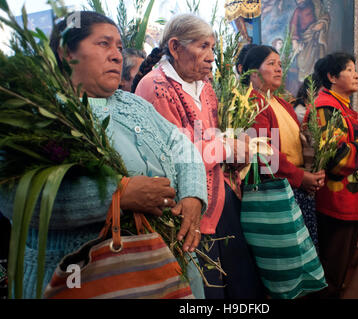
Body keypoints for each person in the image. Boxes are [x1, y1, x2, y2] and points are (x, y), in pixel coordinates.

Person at [0, 11, 208, 299]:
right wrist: (118, 194)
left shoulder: (134, 104)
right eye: (103, 44)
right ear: (65, 52)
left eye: (119, 47)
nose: (116, 56)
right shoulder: (36, 111)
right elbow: (12, 195)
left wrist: (193, 195)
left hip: (166, 270)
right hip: (81, 279)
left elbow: (181, 144)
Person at [132, 14, 265, 299]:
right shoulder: (155, 87)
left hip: (222, 198)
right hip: (189, 206)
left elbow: (209, 139)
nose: (211, 57)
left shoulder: (206, 88)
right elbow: (173, 155)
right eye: (203, 46)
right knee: (208, 286)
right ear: (176, 46)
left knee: (240, 285)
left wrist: (237, 151)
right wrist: (228, 147)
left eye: (213, 48)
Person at [310, 52, 358, 298]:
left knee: (338, 272)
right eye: (350, 70)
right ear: (331, 76)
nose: (357, 75)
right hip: (335, 203)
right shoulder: (327, 108)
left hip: (346, 200)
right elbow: (340, 161)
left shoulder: (341, 107)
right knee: (331, 274)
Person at [241, 44, 325, 249]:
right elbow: (262, 154)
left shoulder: (282, 103)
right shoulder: (254, 103)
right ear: (252, 72)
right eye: (271, 64)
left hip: (296, 183)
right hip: (276, 189)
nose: (279, 69)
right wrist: (300, 176)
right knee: (290, 251)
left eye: (280, 64)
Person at [287, 0, 329, 94]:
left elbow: (325, 16)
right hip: (304, 41)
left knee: (316, 66)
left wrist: (321, 24)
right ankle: (304, 93)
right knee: (302, 65)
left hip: (315, 41)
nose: (298, 1)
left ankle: (317, 92)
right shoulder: (298, 11)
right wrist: (295, 42)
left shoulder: (316, 6)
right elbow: (293, 26)